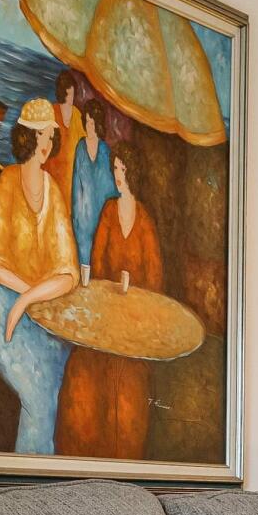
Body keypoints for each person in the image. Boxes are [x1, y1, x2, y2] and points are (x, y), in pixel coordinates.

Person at [0, 98, 80, 454]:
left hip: (42, 311)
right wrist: (23, 296)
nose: (47, 143)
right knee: (38, 400)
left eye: (51, 136)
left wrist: (30, 298)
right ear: (27, 137)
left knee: (54, 395)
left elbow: (68, 272)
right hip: (4, 307)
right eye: (41, 135)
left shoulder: (53, 190)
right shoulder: (7, 182)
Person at [57, 150, 163, 458]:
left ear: (132, 171)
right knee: (83, 375)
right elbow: (99, 264)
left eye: (121, 167)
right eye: (114, 167)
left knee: (128, 389)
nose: (116, 173)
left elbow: (155, 278)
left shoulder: (144, 219)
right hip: (106, 314)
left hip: (134, 319)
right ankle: (78, 456)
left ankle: (122, 460)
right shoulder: (107, 210)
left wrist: (134, 297)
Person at [62, 76, 116, 277]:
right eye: (87, 122)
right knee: (83, 270)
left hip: (102, 218)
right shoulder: (80, 148)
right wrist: (76, 218)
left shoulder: (105, 151)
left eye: (93, 122)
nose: (89, 126)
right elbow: (76, 186)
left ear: (99, 124)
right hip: (82, 222)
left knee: (101, 270)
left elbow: (112, 189)